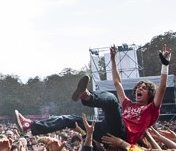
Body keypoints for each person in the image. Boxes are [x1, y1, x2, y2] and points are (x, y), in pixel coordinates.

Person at [15, 44, 172, 145]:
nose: (139, 89)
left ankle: (87, 96)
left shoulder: (152, 109)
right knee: (68, 119)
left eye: (144, 88)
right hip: (105, 130)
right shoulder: (129, 104)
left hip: (122, 135)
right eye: (139, 87)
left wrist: (165, 65)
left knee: (111, 101)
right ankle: (30, 126)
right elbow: (117, 83)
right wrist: (112, 58)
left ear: (150, 94)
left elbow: (162, 87)